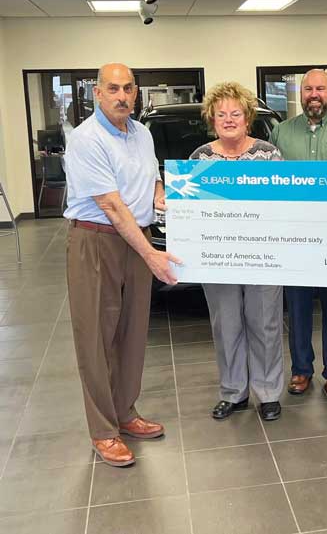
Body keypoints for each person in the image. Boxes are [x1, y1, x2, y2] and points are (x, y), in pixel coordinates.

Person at [63, 63, 180, 467]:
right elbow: (111, 206)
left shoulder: (142, 133)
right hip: (96, 242)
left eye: (128, 88)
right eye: (113, 89)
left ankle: (125, 412)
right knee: (96, 337)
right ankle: (102, 429)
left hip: (136, 236)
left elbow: (151, 177)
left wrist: (159, 194)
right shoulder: (86, 139)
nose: (122, 96)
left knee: (132, 332)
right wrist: (151, 254)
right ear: (97, 93)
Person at [190, 81, 285, 422]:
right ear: (211, 119)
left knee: (266, 323)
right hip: (218, 257)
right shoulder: (199, 158)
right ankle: (233, 392)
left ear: (247, 118)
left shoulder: (268, 154)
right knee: (226, 325)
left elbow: (284, 204)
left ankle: (268, 393)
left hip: (263, 255)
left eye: (235, 113)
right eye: (221, 114)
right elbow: (191, 209)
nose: (228, 120)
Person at [270, 69, 327, 397]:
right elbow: (271, 184)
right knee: (297, 306)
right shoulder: (281, 132)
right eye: (308, 88)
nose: (314, 94)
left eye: (320, 88)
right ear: (301, 94)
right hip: (294, 238)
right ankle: (301, 369)